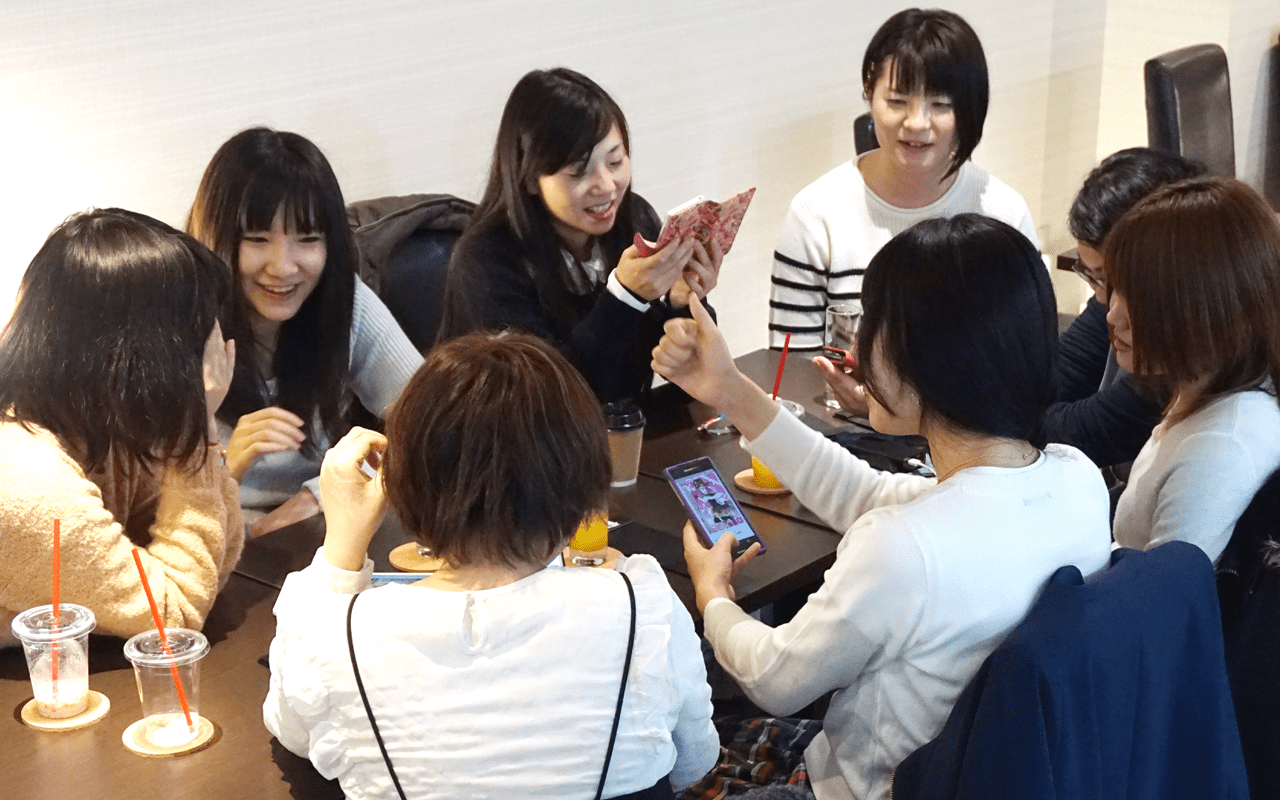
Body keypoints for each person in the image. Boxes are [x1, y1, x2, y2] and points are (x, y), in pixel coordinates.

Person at [653, 215, 1112, 800]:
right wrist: (729, 390)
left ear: (928, 359)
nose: (857, 347)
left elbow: (773, 679)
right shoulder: (1077, 480)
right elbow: (865, 493)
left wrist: (713, 595)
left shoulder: (904, 548)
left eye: (872, 325)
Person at [263, 332, 718, 798]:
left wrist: (341, 547)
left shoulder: (335, 638)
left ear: (401, 487)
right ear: (584, 488)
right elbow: (693, 763)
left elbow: (291, 729)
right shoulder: (643, 605)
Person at [0, 209, 243, 645]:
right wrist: (195, 428)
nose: (214, 346)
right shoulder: (27, 481)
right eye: (198, 328)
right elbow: (174, 617)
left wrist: (197, 433)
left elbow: (210, 568)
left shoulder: (101, 425)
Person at [187, 127, 421, 537]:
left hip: (326, 526)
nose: (283, 266)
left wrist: (321, 494)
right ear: (217, 238)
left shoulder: (344, 302)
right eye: (257, 239)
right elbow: (149, 511)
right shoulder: (177, 323)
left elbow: (434, 427)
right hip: (214, 542)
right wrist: (227, 464)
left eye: (308, 239)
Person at [438, 67, 721, 402]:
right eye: (578, 171)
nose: (606, 187)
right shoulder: (486, 261)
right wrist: (625, 297)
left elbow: (681, 374)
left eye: (615, 162)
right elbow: (553, 401)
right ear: (529, 178)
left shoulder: (634, 219)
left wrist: (683, 303)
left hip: (623, 427)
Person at [769, 8, 1037, 354]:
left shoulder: (1004, 215)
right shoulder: (816, 216)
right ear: (869, 95)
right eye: (897, 101)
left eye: (940, 104)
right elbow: (792, 367)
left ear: (970, 108)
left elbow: (1026, 358)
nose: (916, 123)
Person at [1106, 176, 1280, 563]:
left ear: (1213, 308)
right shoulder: (1200, 386)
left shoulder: (1221, 446)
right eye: (1116, 287)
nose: (1114, 315)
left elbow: (1166, 593)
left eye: (1141, 298)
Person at [1041, 147, 1204, 468]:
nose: (1106, 304)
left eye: (1110, 279)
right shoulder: (1112, 299)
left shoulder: (1196, 349)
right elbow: (1056, 371)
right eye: (1091, 276)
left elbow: (1088, 433)